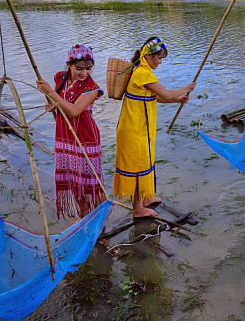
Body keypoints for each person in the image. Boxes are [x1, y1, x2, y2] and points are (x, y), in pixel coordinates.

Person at [114, 37, 195, 219]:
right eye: (158, 58)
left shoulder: (143, 71)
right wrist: (185, 88)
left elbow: (155, 97)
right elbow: (165, 93)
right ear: (149, 56)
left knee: (143, 162)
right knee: (136, 167)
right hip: (133, 130)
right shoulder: (143, 73)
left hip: (138, 129)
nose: (159, 62)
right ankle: (138, 209)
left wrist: (177, 99)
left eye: (162, 58)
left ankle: (145, 198)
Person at [36, 44, 105, 221]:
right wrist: (50, 104)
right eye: (79, 68)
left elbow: (74, 111)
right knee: (73, 179)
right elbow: (59, 103)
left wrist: (51, 93)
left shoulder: (91, 88)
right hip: (64, 135)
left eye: (89, 69)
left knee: (90, 183)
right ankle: (83, 215)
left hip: (85, 137)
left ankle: (98, 216)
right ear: (69, 65)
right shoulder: (60, 79)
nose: (84, 73)